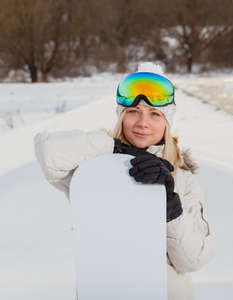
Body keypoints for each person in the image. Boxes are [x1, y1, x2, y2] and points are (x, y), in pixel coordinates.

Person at [33, 62, 215, 300]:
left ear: (167, 122)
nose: (143, 123)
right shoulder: (95, 166)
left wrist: (170, 204)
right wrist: (116, 149)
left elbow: (193, 259)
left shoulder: (183, 179)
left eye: (154, 114)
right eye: (133, 112)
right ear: (121, 116)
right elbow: (48, 153)